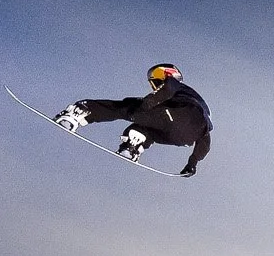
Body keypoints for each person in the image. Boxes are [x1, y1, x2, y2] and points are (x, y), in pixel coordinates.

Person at [53, 63, 214, 175]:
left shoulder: (175, 85)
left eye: (156, 75)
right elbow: (205, 143)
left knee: (127, 106)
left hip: (177, 115)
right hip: (183, 138)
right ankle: (134, 144)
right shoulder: (203, 113)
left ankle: (79, 112)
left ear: (168, 74)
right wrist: (192, 164)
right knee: (147, 128)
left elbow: (167, 89)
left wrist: (142, 106)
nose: (153, 81)